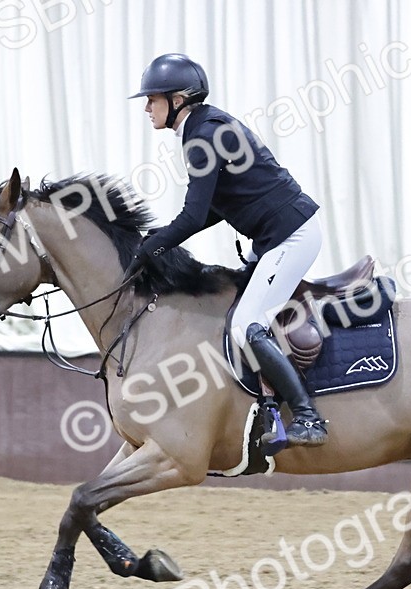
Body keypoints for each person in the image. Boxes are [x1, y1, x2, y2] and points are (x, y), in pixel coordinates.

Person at [129, 53, 328, 448]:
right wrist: (155, 241)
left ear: (179, 98)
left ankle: (308, 418)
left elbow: (192, 216)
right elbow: (212, 212)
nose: (147, 107)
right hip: (275, 237)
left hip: (290, 237)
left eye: (153, 98)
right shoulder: (202, 128)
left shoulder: (202, 137)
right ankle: (265, 408)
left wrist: (150, 246)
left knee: (245, 325)